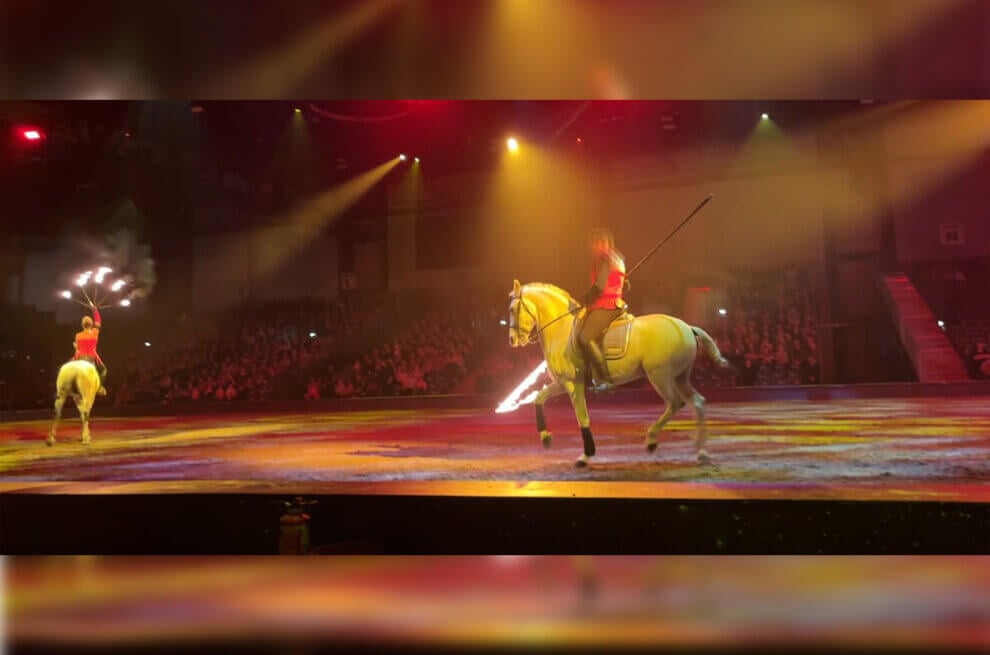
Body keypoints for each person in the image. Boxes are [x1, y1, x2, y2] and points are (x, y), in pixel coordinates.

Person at [578, 228, 627, 392]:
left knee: (584, 338)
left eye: (594, 244)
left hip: (607, 304)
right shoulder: (617, 258)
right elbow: (625, 284)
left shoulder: (604, 259)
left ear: (602, 243)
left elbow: (600, 286)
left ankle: (604, 379)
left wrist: (584, 299)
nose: (592, 247)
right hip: (616, 302)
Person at [73, 303, 108, 396]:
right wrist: (94, 310)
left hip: (81, 357)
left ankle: (75, 390)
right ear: (91, 324)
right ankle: (100, 387)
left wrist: (75, 347)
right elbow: (98, 321)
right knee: (104, 371)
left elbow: (78, 349)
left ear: (82, 325)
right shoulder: (94, 333)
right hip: (91, 357)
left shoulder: (78, 335)